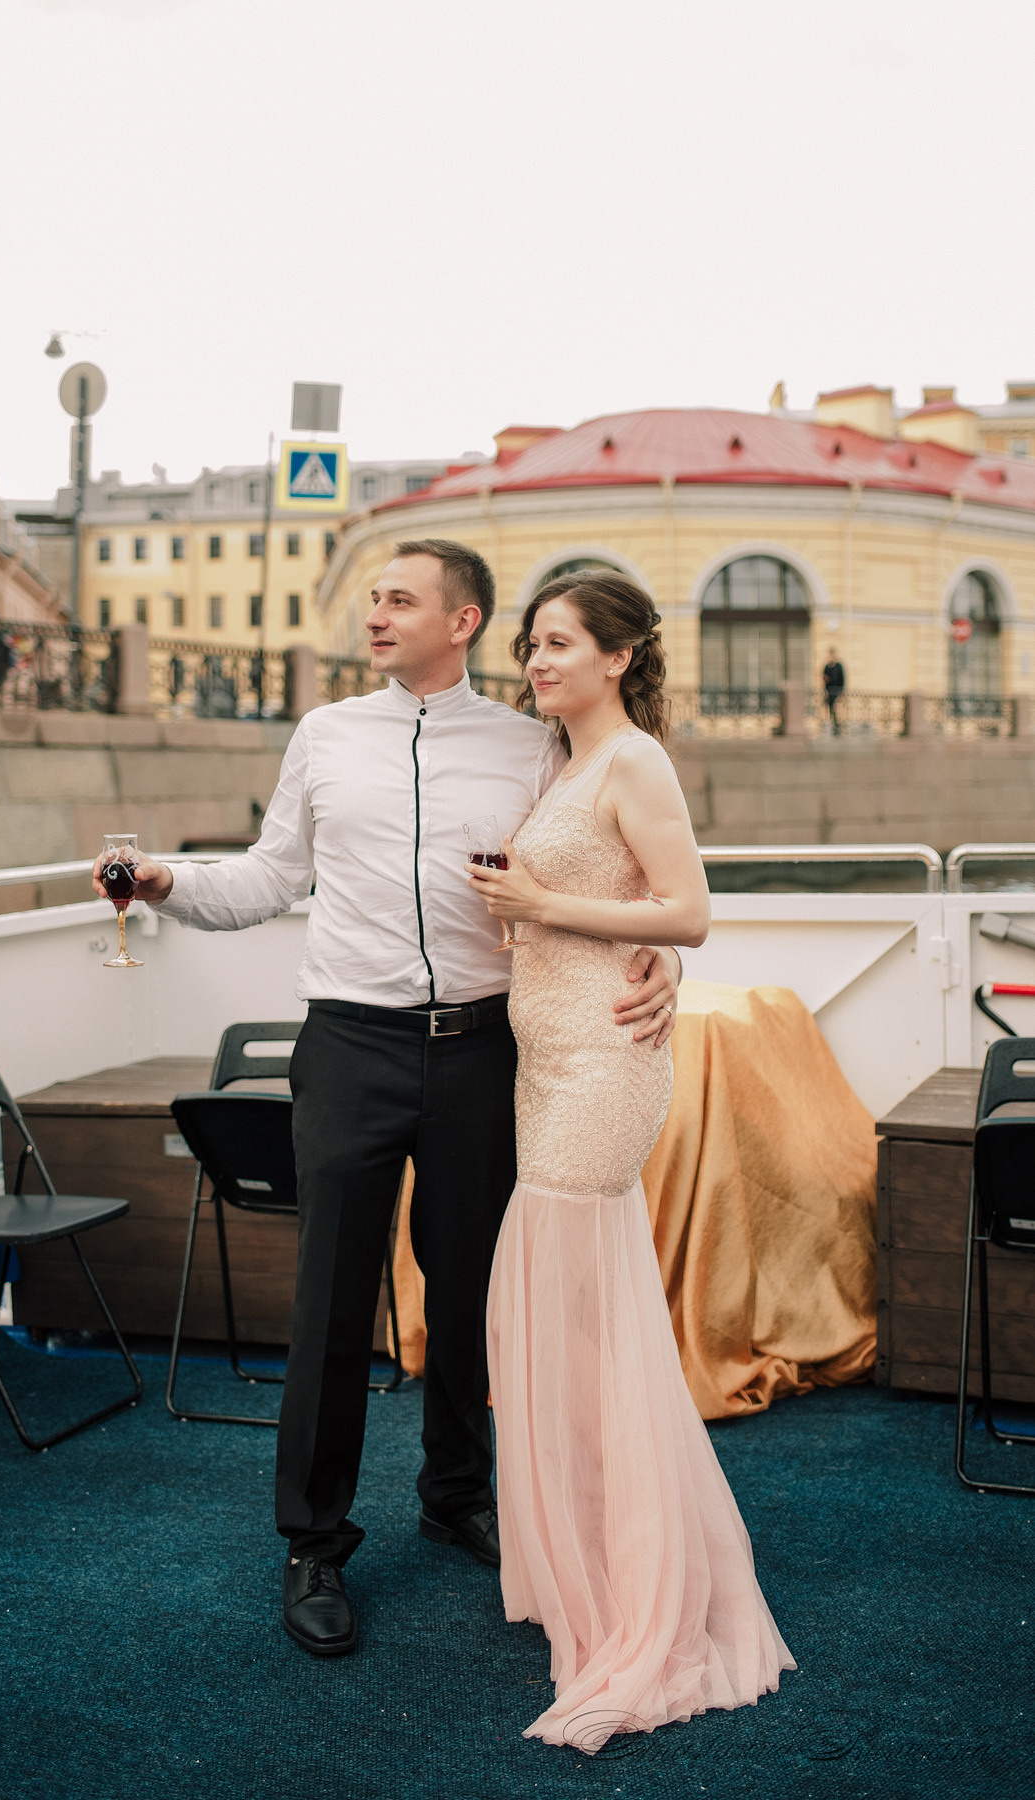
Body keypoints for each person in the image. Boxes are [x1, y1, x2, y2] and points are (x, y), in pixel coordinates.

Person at [92, 540, 681, 1657]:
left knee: (466, 1289)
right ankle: (312, 1538)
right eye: (371, 598)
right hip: (349, 1044)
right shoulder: (324, 736)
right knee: (330, 1296)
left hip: (485, 1048)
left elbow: (610, 874)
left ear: (462, 622)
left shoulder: (533, 745)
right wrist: (169, 884)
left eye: (398, 599)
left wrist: (668, 962)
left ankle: (456, 1493)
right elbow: (271, 875)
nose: (374, 614)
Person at [467, 571, 794, 1752]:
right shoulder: (557, 764)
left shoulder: (632, 762)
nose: (534, 659)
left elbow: (688, 911)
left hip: (603, 1065)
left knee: (565, 1295)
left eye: (555, 643)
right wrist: (541, 910)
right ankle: (586, 1552)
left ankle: (636, 1584)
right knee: (568, 1311)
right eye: (529, 643)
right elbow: (606, 907)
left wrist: (545, 903)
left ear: (616, 657)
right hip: (542, 1057)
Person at [822, 647, 845, 735]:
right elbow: (824, 679)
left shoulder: (839, 666)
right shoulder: (827, 667)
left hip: (837, 691)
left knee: (838, 708)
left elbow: (842, 679)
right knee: (830, 709)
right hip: (829, 692)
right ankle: (832, 725)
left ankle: (838, 726)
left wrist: (842, 692)